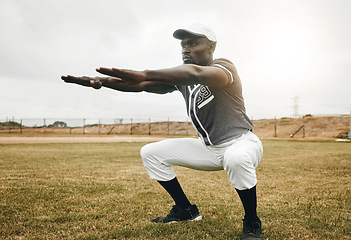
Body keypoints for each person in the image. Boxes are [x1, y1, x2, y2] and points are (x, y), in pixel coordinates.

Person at [61, 23, 263, 240]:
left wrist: (144, 73)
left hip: (241, 143)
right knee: (151, 153)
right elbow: (142, 85)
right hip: (209, 148)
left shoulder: (224, 67)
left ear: (211, 46)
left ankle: (252, 221)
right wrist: (99, 82)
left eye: (193, 43)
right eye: (183, 45)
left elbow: (195, 73)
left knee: (235, 158)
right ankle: (186, 210)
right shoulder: (181, 81)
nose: (186, 48)